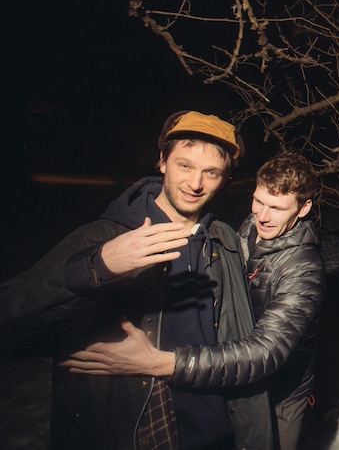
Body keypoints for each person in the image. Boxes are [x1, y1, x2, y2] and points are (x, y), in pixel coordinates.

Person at [0, 110, 272, 449]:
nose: (195, 183)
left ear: (226, 178)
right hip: (137, 431)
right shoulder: (103, 237)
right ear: (162, 162)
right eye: (184, 165)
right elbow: (12, 321)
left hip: (215, 431)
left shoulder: (224, 240)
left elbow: (239, 339)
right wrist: (96, 267)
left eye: (211, 172)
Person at [60, 150, 327, 450]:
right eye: (259, 201)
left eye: (276, 208)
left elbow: (265, 353)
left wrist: (162, 362)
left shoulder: (304, 271)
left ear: (303, 208)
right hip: (234, 377)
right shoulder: (250, 228)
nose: (262, 215)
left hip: (280, 392)